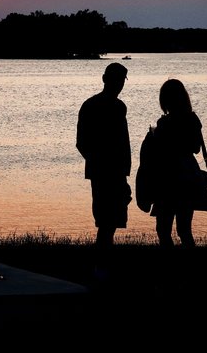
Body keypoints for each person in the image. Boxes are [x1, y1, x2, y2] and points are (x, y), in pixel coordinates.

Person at [76, 62, 132, 279]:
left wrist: (123, 169)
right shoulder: (91, 106)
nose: (119, 85)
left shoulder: (120, 107)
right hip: (102, 172)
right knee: (106, 221)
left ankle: (104, 264)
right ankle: (101, 266)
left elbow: (122, 141)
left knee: (112, 220)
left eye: (121, 81)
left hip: (116, 172)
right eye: (116, 80)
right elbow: (82, 142)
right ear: (105, 79)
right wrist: (98, 162)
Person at [150, 78, 207, 249]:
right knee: (184, 229)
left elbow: (158, 150)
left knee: (163, 229)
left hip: (168, 177)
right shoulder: (192, 119)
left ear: (165, 100)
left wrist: (156, 135)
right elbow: (195, 148)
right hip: (188, 175)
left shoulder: (164, 123)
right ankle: (189, 268)